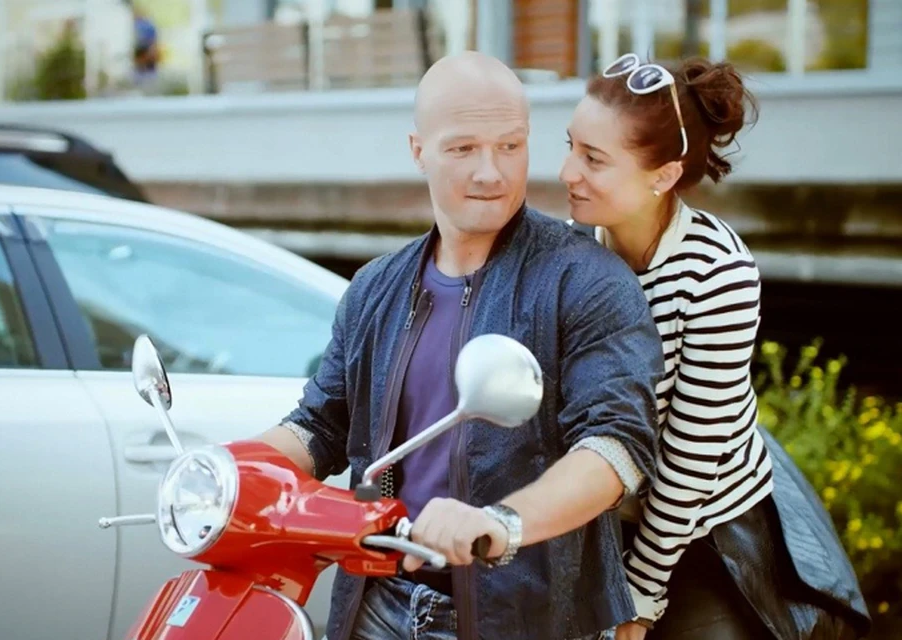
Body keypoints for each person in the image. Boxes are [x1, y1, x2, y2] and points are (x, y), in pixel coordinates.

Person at [257, 51, 666, 640]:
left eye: (510, 146)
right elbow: (318, 425)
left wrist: (501, 523)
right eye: (463, 148)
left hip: (528, 618)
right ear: (418, 150)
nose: (490, 173)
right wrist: (223, 469)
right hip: (376, 601)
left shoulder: (586, 280)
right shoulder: (375, 286)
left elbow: (615, 446)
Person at [560, 52, 872, 639]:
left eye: (593, 159)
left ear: (662, 176)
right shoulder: (572, 249)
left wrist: (641, 594)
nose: (567, 173)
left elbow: (690, 458)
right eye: (570, 146)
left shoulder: (716, 274)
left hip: (703, 529)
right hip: (599, 519)